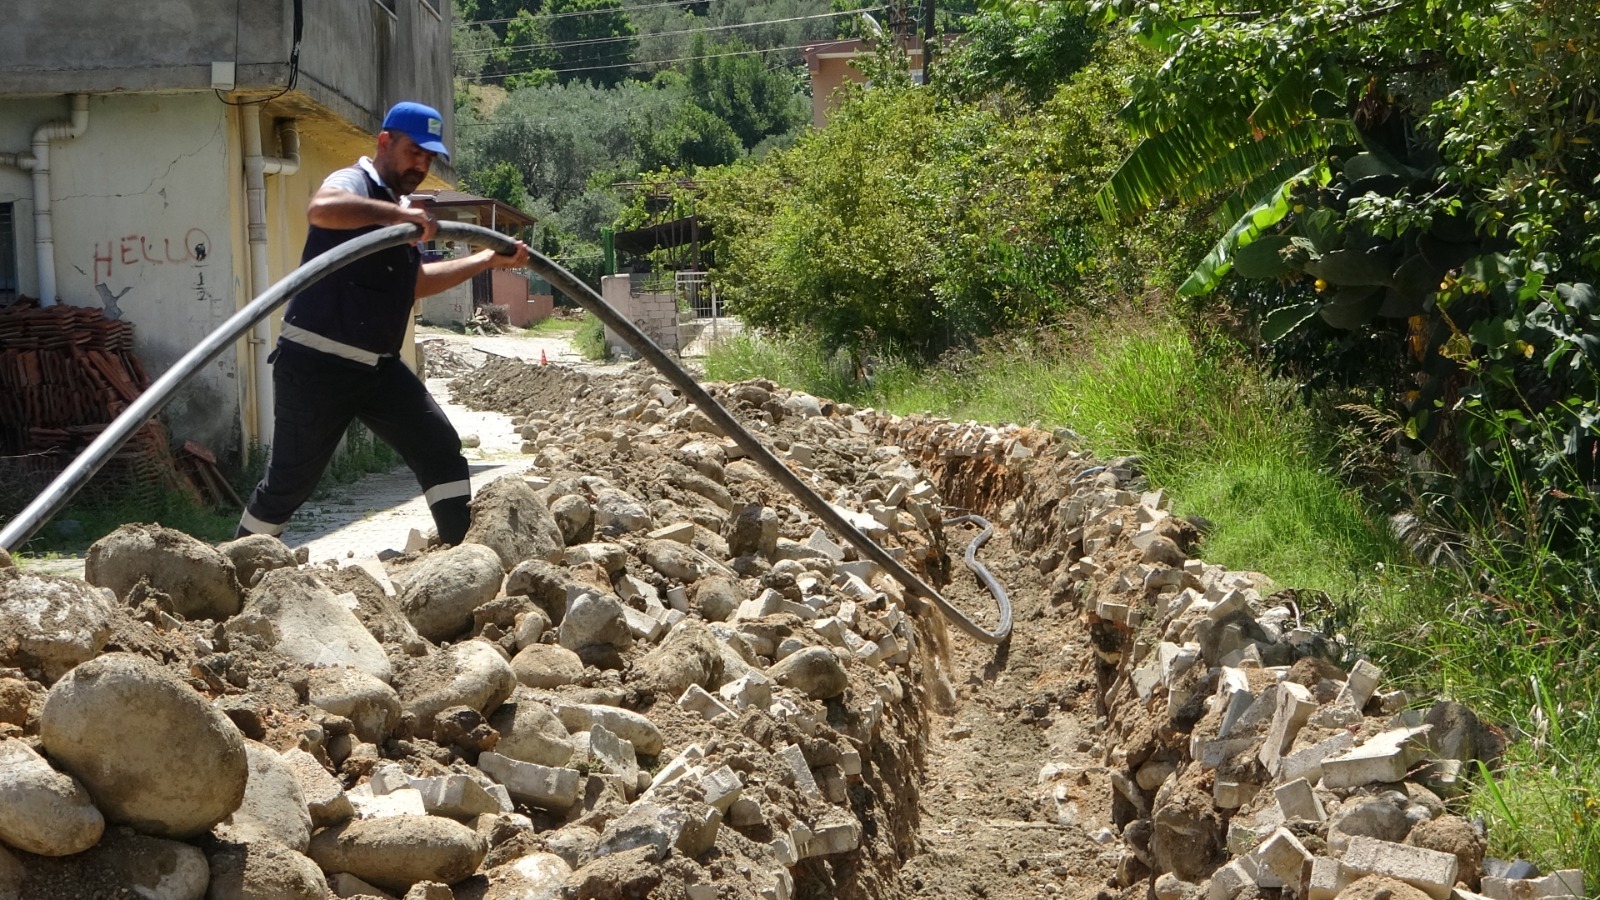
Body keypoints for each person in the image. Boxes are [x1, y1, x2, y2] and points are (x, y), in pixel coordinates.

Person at [237, 101, 531, 546]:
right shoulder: (355, 182)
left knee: (440, 449)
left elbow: (414, 282)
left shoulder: (401, 205)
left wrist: (487, 258)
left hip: (377, 368)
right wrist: (398, 217)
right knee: (289, 485)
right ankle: (239, 564)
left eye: (429, 157)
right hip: (316, 363)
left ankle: (465, 557)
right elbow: (322, 209)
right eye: (414, 151)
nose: (421, 164)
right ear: (385, 143)